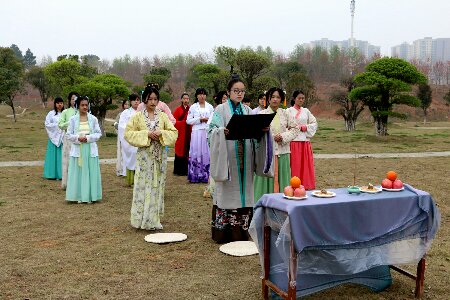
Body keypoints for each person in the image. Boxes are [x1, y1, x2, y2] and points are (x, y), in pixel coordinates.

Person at [208, 77, 273, 243]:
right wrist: (221, 131)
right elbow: (211, 133)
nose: (239, 94)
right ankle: (226, 232)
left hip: (246, 158)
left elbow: (255, 134)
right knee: (228, 191)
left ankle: (244, 231)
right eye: (236, 91)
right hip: (228, 160)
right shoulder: (220, 110)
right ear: (228, 92)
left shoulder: (248, 110)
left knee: (245, 192)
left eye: (242, 91)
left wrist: (262, 130)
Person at [124, 86, 178, 230]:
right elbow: (128, 134)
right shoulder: (137, 116)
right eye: (150, 99)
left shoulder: (163, 116)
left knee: (157, 185)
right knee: (143, 185)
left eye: (155, 99)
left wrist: (161, 133)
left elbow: (173, 132)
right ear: (144, 100)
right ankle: (140, 219)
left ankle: (153, 219)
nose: (153, 102)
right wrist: (146, 134)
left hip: (159, 156)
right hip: (144, 157)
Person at [254, 87, 300, 202]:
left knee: (283, 182)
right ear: (268, 99)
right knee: (264, 184)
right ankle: (262, 206)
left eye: (278, 97)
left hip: (283, 153)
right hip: (266, 155)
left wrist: (283, 136)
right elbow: (255, 134)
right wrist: (267, 135)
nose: (275, 99)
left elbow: (296, 129)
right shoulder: (261, 114)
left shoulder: (285, 113)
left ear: (281, 99)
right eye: (272, 97)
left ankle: (282, 208)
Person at [65, 96, 102, 203]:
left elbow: (98, 133)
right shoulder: (73, 119)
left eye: (86, 105)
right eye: (82, 105)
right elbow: (68, 134)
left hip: (90, 149)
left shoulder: (93, 119)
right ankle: (78, 196)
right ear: (78, 106)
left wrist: (88, 138)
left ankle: (90, 195)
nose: (85, 107)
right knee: (78, 173)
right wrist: (78, 138)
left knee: (90, 172)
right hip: (78, 149)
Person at [286, 90, 318, 190]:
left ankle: (306, 185)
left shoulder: (306, 111)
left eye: (303, 98)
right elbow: (284, 125)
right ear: (294, 99)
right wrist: (291, 129)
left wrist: (304, 127)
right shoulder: (288, 111)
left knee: (305, 166)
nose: (301, 100)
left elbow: (314, 123)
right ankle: (293, 186)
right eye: (299, 98)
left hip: (304, 142)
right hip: (293, 143)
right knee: (294, 165)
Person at [186, 88, 214, 183]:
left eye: (204, 94)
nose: (202, 96)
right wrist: (199, 119)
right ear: (197, 96)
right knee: (196, 152)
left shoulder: (210, 107)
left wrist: (207, 121)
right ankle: (195, 175)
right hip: (197, 132)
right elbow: (188, 120)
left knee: (206, 153)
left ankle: (207, 175)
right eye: (200, 94)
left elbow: (213, 119)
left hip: (206, 131)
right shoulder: (193, 107)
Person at [58, 92, 78, 190]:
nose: (74, 100)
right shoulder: (65, 112)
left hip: (79, 139)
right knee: (68, 161)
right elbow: (60, 125)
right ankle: (67, 184)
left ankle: (77, 183)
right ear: (69, 101)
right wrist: (70, 122)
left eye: (76, 98)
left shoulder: (82, 111)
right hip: (68, 140)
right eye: (72, 99)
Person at [118, 94, 140, 185]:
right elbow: (122, 126)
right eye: (134, 100)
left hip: (140, 138)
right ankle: (130, 180)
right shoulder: (126, 113)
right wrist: (131, 131)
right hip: (130, 139)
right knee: (131, 157)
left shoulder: (142, 112)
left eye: (138, 100)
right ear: (130, 102)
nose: (136, 102)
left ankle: (139, 179)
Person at [43, 97, 65, 180]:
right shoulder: (51, 114)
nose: (60, 105)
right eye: (58, 103)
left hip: (62, 138)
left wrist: (62, 127)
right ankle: (51, 174)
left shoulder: (65, 113)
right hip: (53, 138)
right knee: (52, 157)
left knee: (62, 157)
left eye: (61, 103)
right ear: (55, 104)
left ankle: (62, 175)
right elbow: (47, 124)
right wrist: (58, 126)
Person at [172, 92, 192, 176]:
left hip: (189, 133)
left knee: (188, 149)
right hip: (181, 134)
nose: (186, 100)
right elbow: (174, 122)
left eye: (187, 99)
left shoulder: (191, 109)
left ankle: (187, 170)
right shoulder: (178, 110)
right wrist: (183, 123)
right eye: (184, 98)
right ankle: (178, 170)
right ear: (181, 99)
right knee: (180, 149)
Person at [115, 100, 129, 176]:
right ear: (123, 105)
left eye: (128, 104)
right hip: (121, 136)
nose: (127, 106)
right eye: (125, 104)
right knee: (121, 152)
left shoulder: (131, 114)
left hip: (129, 137)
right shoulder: (120, 114)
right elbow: (115, 123)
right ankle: (121, 169)